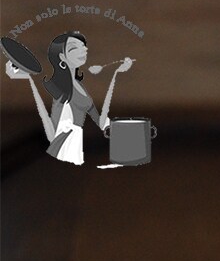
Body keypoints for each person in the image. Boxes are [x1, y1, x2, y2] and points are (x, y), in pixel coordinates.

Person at [4, 31, 132, 165]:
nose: (84, 49)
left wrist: (115, 75)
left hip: (75, 144)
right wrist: (25, 77)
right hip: (64, 144)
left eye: (83, 46)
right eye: (74, 48)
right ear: (62, 57)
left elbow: (101, 122)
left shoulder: (79, 86)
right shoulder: (58, 87)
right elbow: (51, 127)